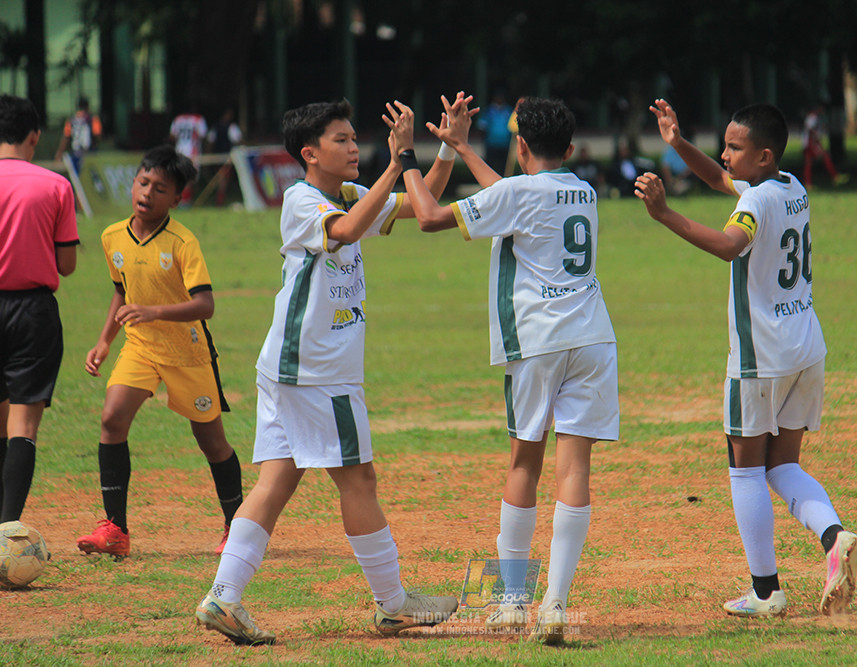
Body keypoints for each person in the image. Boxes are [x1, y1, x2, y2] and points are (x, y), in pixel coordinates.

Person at [193, 96, 469, 645]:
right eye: (340, 140)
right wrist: (397, 162)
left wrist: (447, 149)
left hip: (292, 368)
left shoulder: (346, 194)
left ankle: (224, 598)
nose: (352, 147)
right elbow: (343, 232)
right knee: (359, 479)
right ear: (308, 153)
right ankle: (394, 605)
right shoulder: (301, 199)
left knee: (275, 481)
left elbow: (421, 203)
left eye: (352, 137)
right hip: (317, 373)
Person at [387, 96, 619, 645]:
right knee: (574, 469)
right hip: (593, 338)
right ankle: (555, 605)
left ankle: (512, 602)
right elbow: (512, 198)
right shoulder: (581, 190)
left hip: (536, 342)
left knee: (523, 462)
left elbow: (427, 217)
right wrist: (462, 146)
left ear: (519, 145)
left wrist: (409, 158)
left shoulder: (516, 191)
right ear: (569, 148)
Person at [635, 99, 857, 618]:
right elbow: (720, 179)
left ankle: (766, 591)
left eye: (735, 147)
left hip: (761, 358)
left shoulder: (756, 203)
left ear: (762, 156)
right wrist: (677, 143)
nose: (725, 154)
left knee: (744, 471)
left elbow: (727, 243)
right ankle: (834, 536)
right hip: (806, 347)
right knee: (782, 466)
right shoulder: (790, 187)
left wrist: (665, 213)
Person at [75, 145, 244, 559]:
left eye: (160, 188)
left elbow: (206, 305)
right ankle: (115, 528)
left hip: (188, 353)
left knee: (212, 442)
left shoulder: (183, 242)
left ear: (177, 198)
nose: (147, 193)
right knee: (112, 418)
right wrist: (104, 340)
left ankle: (238, 527)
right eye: (143, 182)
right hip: (141, 346)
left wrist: (154, 311)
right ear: (134, 182)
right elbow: (122, 292)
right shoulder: (112, 236)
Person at [0, 94, 79, 523]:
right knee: (23, 425)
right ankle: (7, 532)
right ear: (34, 135)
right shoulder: (55, 185)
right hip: (32, 312)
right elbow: (66, 265)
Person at [54, 96, 102, 177]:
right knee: (90, 177)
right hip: (89, 153)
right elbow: (97, 134)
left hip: (75, 153)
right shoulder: (93, 119)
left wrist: (59, 152)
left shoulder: (71, 120)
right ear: (87, 107)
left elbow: (66, 137)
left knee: (76, 178)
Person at [801, 105, 847, 188]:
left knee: (809, 163)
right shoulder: (813, 117)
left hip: (809, 143)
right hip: (811, 143)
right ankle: (835, 176)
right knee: (824, 157)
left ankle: (808, 182)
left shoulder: (813, 117)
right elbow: (811, 130)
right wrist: (816, 143)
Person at [169, 110, 208, 204]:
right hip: (192, 151)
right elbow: (203, 135)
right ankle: (185, 201)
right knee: (191, 177)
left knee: (181, 176)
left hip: (180, 150)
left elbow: (172, 136)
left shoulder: (178, 119)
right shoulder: (198, 119)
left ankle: (183, 200)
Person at [207, 109, 244, 206]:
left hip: (218, 156)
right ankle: (219, 201)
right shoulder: (231, 127)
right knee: (223, 180)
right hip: (226, 156)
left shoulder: (215, 127)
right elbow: (238, 140)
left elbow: (210, 141)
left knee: (221, 179)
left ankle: (219, 200)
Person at [477, 91, 514, 174]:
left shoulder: (508, 111)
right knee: (490, 166)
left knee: (503, 167)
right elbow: (482, 126)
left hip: (505, 144)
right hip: (491, 143)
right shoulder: (489, 111)